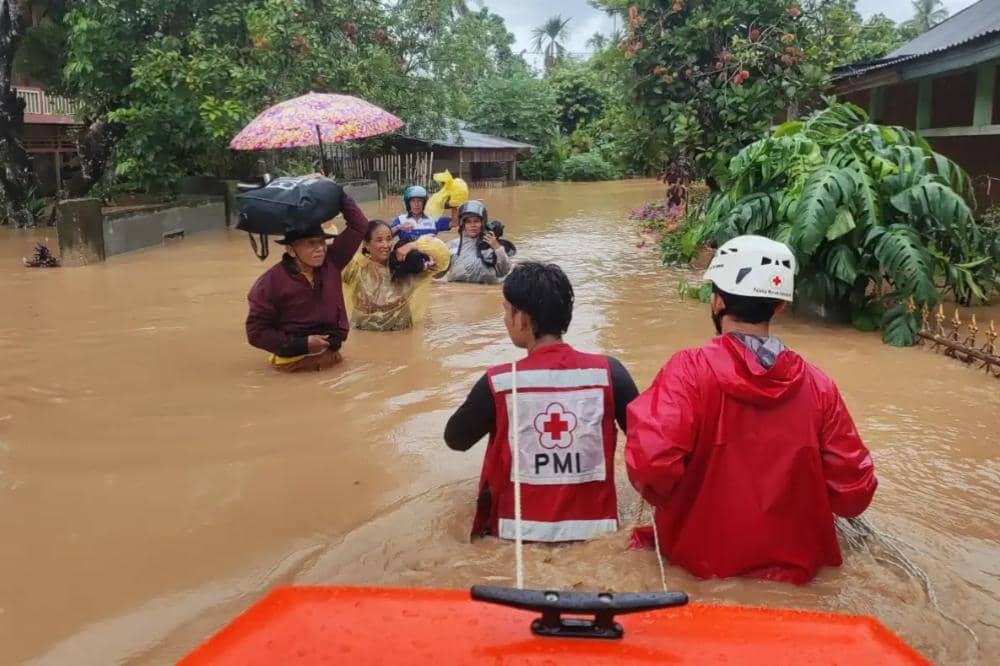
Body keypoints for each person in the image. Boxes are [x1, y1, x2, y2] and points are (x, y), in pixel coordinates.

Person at [626, 235, 878, 584]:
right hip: (798, 579)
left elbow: (651, 468)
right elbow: (854, 494)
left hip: (698, 572)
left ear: (716, 302)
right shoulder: (820, 386)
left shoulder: (686, 372)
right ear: (778, 307)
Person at [444, 262, 639, 543]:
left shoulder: (498, 383)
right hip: (597, 537)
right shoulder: (610, 373)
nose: (506, 320)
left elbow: (456, 439)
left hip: (512, 542)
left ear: (522, 319)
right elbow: (650, 445)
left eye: (506, 311)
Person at [245, 185, 368, 372]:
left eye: (321, 242)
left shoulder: (332, 262)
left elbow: (359, 225)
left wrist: (338, 194)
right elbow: (256, 333)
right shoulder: (269, 283)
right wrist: (302, 344)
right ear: (291, 249)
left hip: (332, 357)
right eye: (311, 244)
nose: (320, 248)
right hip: (293, 365)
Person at [342, 220, 450, 332]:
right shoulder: (355, 267)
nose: (386, 245)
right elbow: (329, 266)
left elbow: (443, 258)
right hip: (363, 334)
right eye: (379, 240)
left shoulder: (406, 267)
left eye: (389, 239)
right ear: (366, 244)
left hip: (402, 333)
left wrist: (413, 245)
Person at [445, 200, 513, 284]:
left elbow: (504, 271)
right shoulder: (452, 245)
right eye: (468, 222)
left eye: (476, 221)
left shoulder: (491, 244)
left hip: (486, 293)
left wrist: (497, 248)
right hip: (458, 293)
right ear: (463, 225)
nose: (472, 225)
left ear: (482, 223)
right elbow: (438, 274)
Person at [391, 185, 456, 243]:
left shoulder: (433, 219)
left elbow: (454, 223)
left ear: (424, 203)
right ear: (408, 204)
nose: (416, 204)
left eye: (419, 201)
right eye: (413, 201)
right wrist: (399, 227)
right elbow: (386, 236)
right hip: (407, 255)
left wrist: (454, 205)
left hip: (427, 255)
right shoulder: (400, 220)